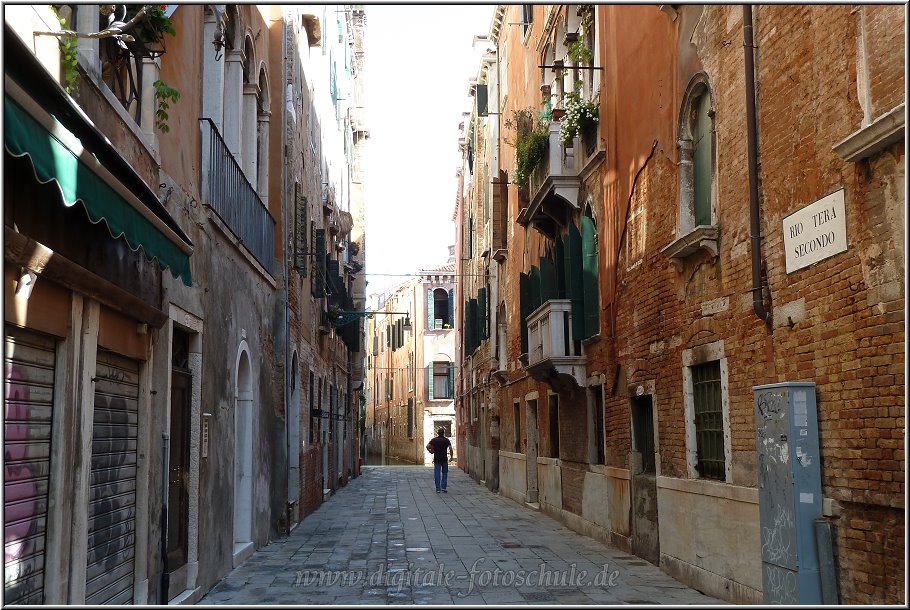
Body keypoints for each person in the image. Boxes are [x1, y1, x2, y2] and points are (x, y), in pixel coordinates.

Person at [427, 428, 453, 493]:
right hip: (444, 459)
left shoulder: (434, 440)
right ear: (443, 433)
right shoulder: (446, 440)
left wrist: (431, 451)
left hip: (437, 459)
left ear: (437, 433)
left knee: (437, 473)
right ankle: (443, 487)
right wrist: (451, 456)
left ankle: (438, 488)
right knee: (445, 473)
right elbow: (450, 448)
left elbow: (427, 446)